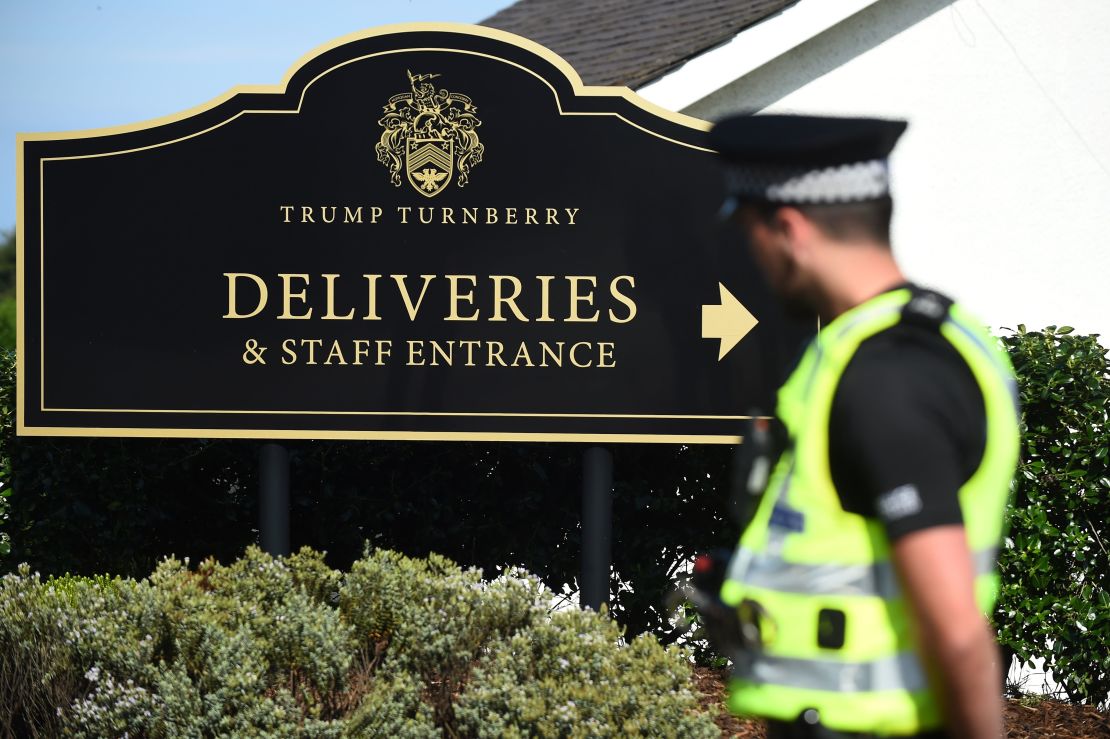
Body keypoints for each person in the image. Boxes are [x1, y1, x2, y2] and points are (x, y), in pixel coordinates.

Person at [708, 114, 1020, 738]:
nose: (752, 257)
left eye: (750, 234)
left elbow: (957, 631)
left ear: (789, 229)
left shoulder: (886, 376)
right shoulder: (913, 341)